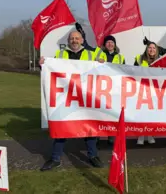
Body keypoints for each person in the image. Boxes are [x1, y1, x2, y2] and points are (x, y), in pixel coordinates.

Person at [39, 31, 102, 171]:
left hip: (85, 98)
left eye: (77, 38)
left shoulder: (92, 55)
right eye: (72, 38)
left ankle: (93, 156)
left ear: (82, 40)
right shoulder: (60, 55)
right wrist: (43, 64)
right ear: (68, 41)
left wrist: (102, 65)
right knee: (61, 128)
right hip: (65, 97)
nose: (74, 40)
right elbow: (50, 71)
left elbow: (100, 73)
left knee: (89, 128)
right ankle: (55, 159)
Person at [94, 35, 125, 145]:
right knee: (99, 113)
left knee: (113, 113)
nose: (110, 44)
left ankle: (111, 136)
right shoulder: (98, 55)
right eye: (108, 42)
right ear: (104, 44)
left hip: (115, 90)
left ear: (115, 44)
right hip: (100, 88)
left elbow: (124, 72)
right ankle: (96, 135)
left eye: (112, 42)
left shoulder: (121, 57)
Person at [133, 41, 160, 145]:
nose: (152, 50)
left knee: (151, 114)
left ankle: (150, 135)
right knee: (141, 114)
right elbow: (133, 71)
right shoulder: (139, 59)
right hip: (141, 90)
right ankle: (141, 135)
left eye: (154, 48)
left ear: (157, 50)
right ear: (146, 49)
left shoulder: (160, 60)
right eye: (150, 48)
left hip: (154, 91)